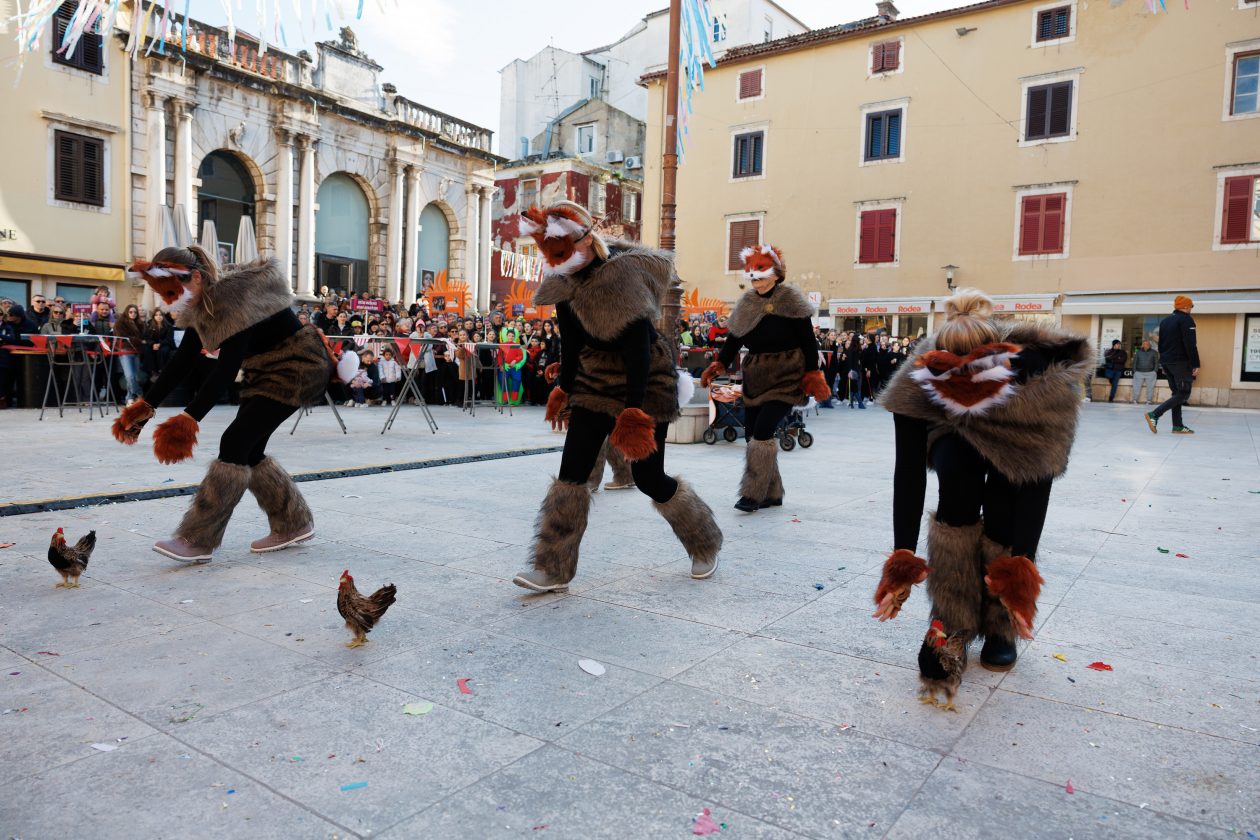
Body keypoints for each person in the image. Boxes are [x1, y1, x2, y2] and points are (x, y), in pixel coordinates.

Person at [873, 289, 1091, 710]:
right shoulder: (917, 380)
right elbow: (909, 472)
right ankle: (954, 617)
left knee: (1005, 500)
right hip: (953, 436)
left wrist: (1019, 574)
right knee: (958, 471)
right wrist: (902, 559)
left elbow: (1037, 478)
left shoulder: (1040, 379)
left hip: (1014, 434)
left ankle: (998, 625)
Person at [512, 200, 723, 590]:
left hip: (644, 384)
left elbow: (639, 350)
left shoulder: (621, 277)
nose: (559, 257)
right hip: (595, 382)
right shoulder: (564, 283)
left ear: (588, 241)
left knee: (648, 478)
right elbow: (572, 346)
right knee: (571, 475)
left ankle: (704, 541)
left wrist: (633, 413)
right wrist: (564, 388)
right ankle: (553, 568)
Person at [112, 245, 332, 562]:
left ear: (196, 277)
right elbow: (183, 360)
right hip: (265, 369)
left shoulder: (231, 299)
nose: (170, 299)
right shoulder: (203, 302)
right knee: (250, 448)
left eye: (173, 290)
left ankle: (198, 540)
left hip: (298, 368)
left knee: (234, 442)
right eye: (163, 292)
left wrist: (189, 418)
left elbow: (226, 370)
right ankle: (293, 523)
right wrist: (146, 407)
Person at [700, 245, 829, 512]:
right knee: (752, 436)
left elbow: (808, 342)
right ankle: (773, 492)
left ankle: (753, 495)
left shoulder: (791, 299)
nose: (754, 276)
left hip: (787, 375)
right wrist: (720, 363)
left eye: (760, 271)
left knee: (762, 431)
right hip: (756, 376)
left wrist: (813, 374)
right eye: (752, 272)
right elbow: (734, 338)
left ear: (775, 273)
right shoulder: (746, 304)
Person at [1145, 296, 1198, 435]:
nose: (1191, 309)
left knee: (1177, 393)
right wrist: (1195, 364)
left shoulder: (1165, 321)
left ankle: (1178, 426)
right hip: (1180, 362)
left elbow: (1160, 344)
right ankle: (1155, 414)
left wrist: (1163, 361)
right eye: (1191, 306)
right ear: (1186, 307)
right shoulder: (1186, 319)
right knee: (1184, 393)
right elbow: (1190, 344)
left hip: (1167, 362)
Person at [113, 304, 145, 403]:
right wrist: (138, 341)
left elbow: (143, 337)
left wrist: (138, 341)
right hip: (125, 351)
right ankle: (139, 393)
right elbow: (123, 338)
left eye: (135, 312)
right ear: (126, 312)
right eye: (131, 312)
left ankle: (129, 397)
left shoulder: (140, 323)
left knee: (135, 377)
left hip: (136, 352)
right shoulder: (120, 323)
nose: (133, 314)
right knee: (129, 376)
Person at [496, 329, 527, 405]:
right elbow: (499, 356)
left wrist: (515, 360)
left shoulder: (516, 345)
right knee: (502, 379)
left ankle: (514, 398)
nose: (511, 337)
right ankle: (504, 398)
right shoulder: (502, 345)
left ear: (514, 337)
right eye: (509, 335)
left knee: (517, 379)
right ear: (506, 336)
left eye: (512, 336)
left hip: (514, 367)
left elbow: (520, 355)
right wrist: (501, 364)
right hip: (504, 366)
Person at [1131, 339, 1159, 404]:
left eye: (1147, 344)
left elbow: (1156, 362)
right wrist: (1135, 371)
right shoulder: (1138, 352)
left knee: (1150, 388)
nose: (1146, 345)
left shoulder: (1154, 352)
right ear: (1142, 345)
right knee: (1136, 387)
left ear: (1150, 345)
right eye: (1144, 344)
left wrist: (1155, 371)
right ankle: (1135, 400)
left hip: (1150, 373)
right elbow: (1135, 362)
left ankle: (1149, 400)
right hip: (1139, 372)